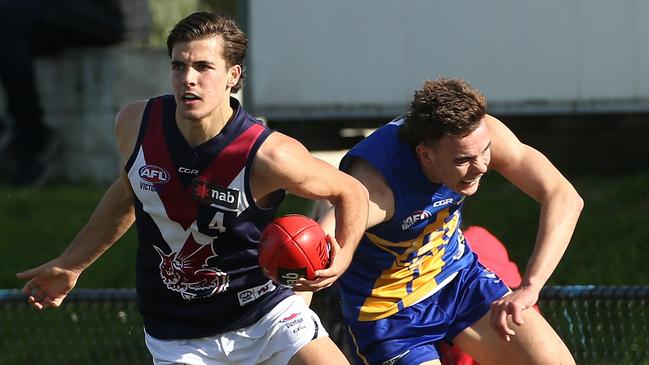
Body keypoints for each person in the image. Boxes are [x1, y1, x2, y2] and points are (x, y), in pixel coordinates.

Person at [16, 11, 368, 365]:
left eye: (203, 66)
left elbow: (351, 191)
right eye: (178, 66)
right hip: (178, 338)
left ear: (234, 75)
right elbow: (127, 195)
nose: (189, 79)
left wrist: (345, 253)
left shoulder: (270, 154)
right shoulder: (135, 124)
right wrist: (72, 265)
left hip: (267, 318)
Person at [301, 77, 583, 364]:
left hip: (460, 280)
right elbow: (308, 256)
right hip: (389, 316)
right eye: (463, 161)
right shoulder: (374, 190)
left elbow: (564, 196)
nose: (482, 166)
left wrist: (530, 287)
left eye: (484, 151)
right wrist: (293, 338)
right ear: (425, 155)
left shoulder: (477, 136)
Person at [0, 0, 148, 186]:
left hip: (108, 16)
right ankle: (26, 133)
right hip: (54, 12)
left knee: (6, 16)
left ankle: (34, 139)